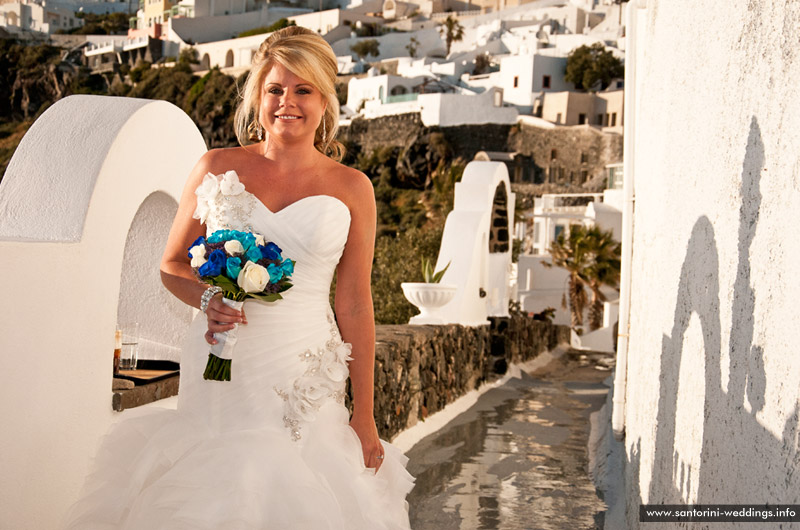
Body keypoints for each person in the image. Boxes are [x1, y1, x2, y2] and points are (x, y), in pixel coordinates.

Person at [62, 26, 414, 529]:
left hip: (301, 374)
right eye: (274, 89)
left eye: (302, 90)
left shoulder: (353, 187)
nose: (286, 102)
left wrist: (366, 413)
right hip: (222, 369)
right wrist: (208, 298)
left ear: (324, 101)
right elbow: (172, 264)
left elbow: (355, 303)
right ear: (256, 97)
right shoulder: (216, 166)